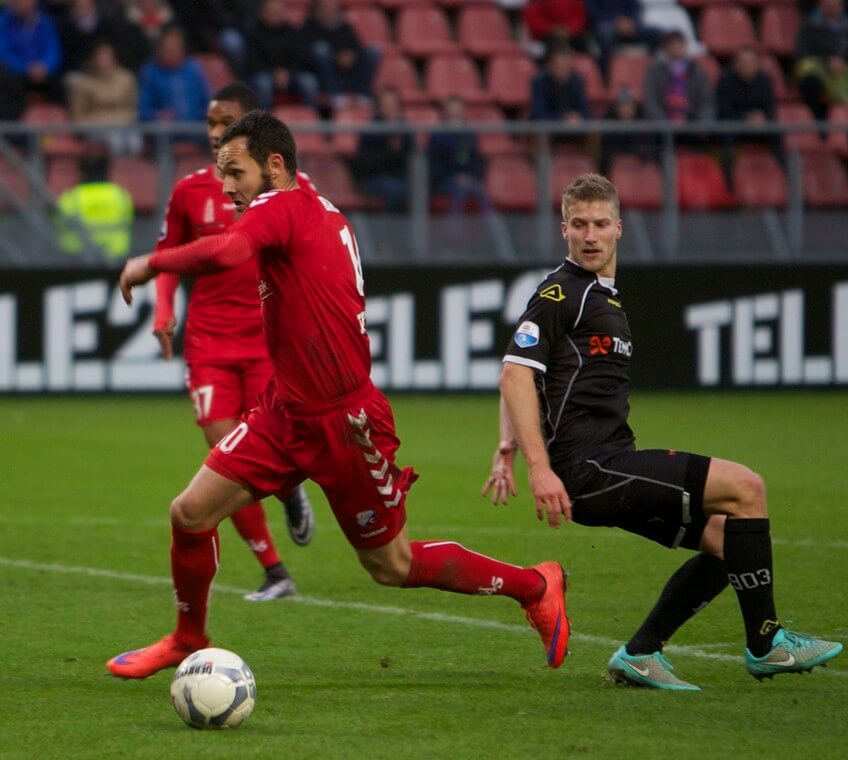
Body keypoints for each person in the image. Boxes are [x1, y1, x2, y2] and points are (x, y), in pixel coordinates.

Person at [109, 109, 569, 679]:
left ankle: (535, 584)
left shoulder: (280, 206)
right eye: (222, 173)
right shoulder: (313, 210)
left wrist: (149, 263)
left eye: (236, 171)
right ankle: (187, 637)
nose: (226, 185)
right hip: (286, 411)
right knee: (190, 512)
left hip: (346, 422)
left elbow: (226, 253)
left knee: (390, 565)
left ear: (275, 167)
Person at [483, 173, 843, 691]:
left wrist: (507, 444)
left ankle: (641, 652)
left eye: (600, 224)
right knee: (747, 488)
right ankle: (768, 644)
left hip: (606, 467)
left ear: (618, 229)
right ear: (563, 229)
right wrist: (538, 468)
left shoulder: (603, 297)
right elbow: (515, 372)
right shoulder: (565, 292)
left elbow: (528, 369)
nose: (590, 235)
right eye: (579, 224)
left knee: (727, 542)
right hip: (590, 471)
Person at [152, 83, 316, 603]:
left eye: (226, 122)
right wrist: (163, 310)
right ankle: (275, 572)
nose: (215, 132)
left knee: (269, 452)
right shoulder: (189, 191)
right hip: (208, 347)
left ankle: (291, 492)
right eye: (209, 123)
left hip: (269, 344)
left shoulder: (289, 190)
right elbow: (168, 253)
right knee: (226, 456)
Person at [137, 23, 209, 146]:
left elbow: (207, 101)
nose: (171, 52)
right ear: (159, 50)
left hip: (196, 129)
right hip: (166, 133)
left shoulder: (193, 69)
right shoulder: (150, 72)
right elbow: (142, 109)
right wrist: (156, 115)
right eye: (167, 49)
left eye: (176, 48)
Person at [56, 145, 134, 258]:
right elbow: (128, 220)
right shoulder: (120, 195)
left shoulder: (70, 197)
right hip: (116, 259)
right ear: (107, 171)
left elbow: (59, 225)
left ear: (81, 172)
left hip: (75, 259)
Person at [66, 39, 140, 156]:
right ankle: (115, 172)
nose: (104, 61)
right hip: (96, 127)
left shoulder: (126, 78)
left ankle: (133, 172)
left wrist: (122, 120)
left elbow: (133, 107)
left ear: (114, 58)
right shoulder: (83, 83)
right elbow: (78, 115)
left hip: (123, 124)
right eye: (100, 58)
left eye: (108, 57)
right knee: (115, 141)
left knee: (135, 141)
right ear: (93, 59)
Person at [244, 0, 319, 109]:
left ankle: (310, 119)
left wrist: (288, 73)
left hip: (290, 74)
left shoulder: (292, 32)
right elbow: (253, 61)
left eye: (278, 11)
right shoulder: (253, 33)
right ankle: (264, 121)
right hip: (264, 73)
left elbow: (300, 58)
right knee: (263, 83)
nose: (276, 14)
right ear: (262, 13)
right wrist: (273, 73)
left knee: (309, 82)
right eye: (272, 11)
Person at [352, 87, 411, 212]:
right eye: (386, 105)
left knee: (418, 188)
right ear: (379, 107)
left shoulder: (406, 130)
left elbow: (411, 157)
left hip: (401, 178)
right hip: (374, 179)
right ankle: (386, 230)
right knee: (395, 189)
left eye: (393, 105)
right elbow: (363, 164)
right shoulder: (371, 131)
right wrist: (390, 150)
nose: (390, 108)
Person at [427, 95, 489, 216]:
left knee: (482, 191)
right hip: (445, 180)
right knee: (460, 189)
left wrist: (468, 175)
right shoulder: (437, 135)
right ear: (445, 112)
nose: (455, 112)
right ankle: (452, 234)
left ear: (463, 112)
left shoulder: (469, 134)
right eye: (452, 109)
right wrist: (456, 177)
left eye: (458, 109)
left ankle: (496, 234)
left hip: (469, 178)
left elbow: (476, 161)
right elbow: (434, 165)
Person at [0, 0, 64, 102]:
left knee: (61, 78)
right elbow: (4, 52)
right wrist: (25, 68)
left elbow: (52, 49)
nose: (24, 4)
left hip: (42, 70)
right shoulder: (4, 22)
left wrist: (45, 66)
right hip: (16, 71)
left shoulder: (44, 21)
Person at [530, 46, 590, 122]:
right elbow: (538, 115)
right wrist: (563, 118)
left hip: (574, 127)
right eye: (559, 66)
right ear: (550, 65)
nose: (563, 70)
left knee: (592, 129)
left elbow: (586, 112)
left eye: (566, 66)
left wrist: (577, 116)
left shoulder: (577, 81)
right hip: (549, 126)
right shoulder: (539, 81)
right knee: (541, 132)